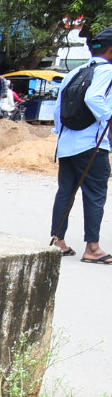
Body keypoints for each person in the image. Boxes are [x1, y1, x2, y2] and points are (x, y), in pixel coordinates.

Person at [49, 28, 112, 263]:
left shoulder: (75, 72)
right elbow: (93, 98)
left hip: (67, 143)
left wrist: (60, 133)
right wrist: (108, 115)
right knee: (95, 194)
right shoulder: (107, 71)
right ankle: (93, 248)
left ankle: (58, 240)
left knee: (66, 191)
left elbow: (57, 109)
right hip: (92, 145)